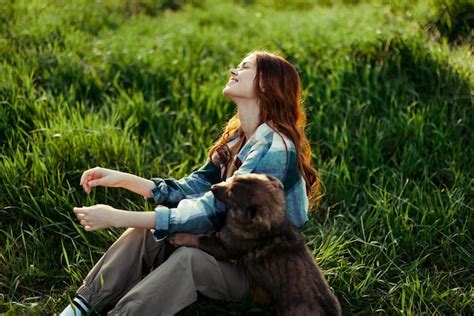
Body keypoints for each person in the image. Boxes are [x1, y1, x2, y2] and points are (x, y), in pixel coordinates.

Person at [60, 51, 320, 315]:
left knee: (190, 260)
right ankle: (80, 307)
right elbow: (194, 187)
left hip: (259, 276)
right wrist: (124, 180)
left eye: (244, 67)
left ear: (265, 84)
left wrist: (118, 217)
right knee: (147, 232)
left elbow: (211, 211)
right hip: (226, 248)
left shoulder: (274, 148)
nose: (233, 70)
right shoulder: (237, 140)